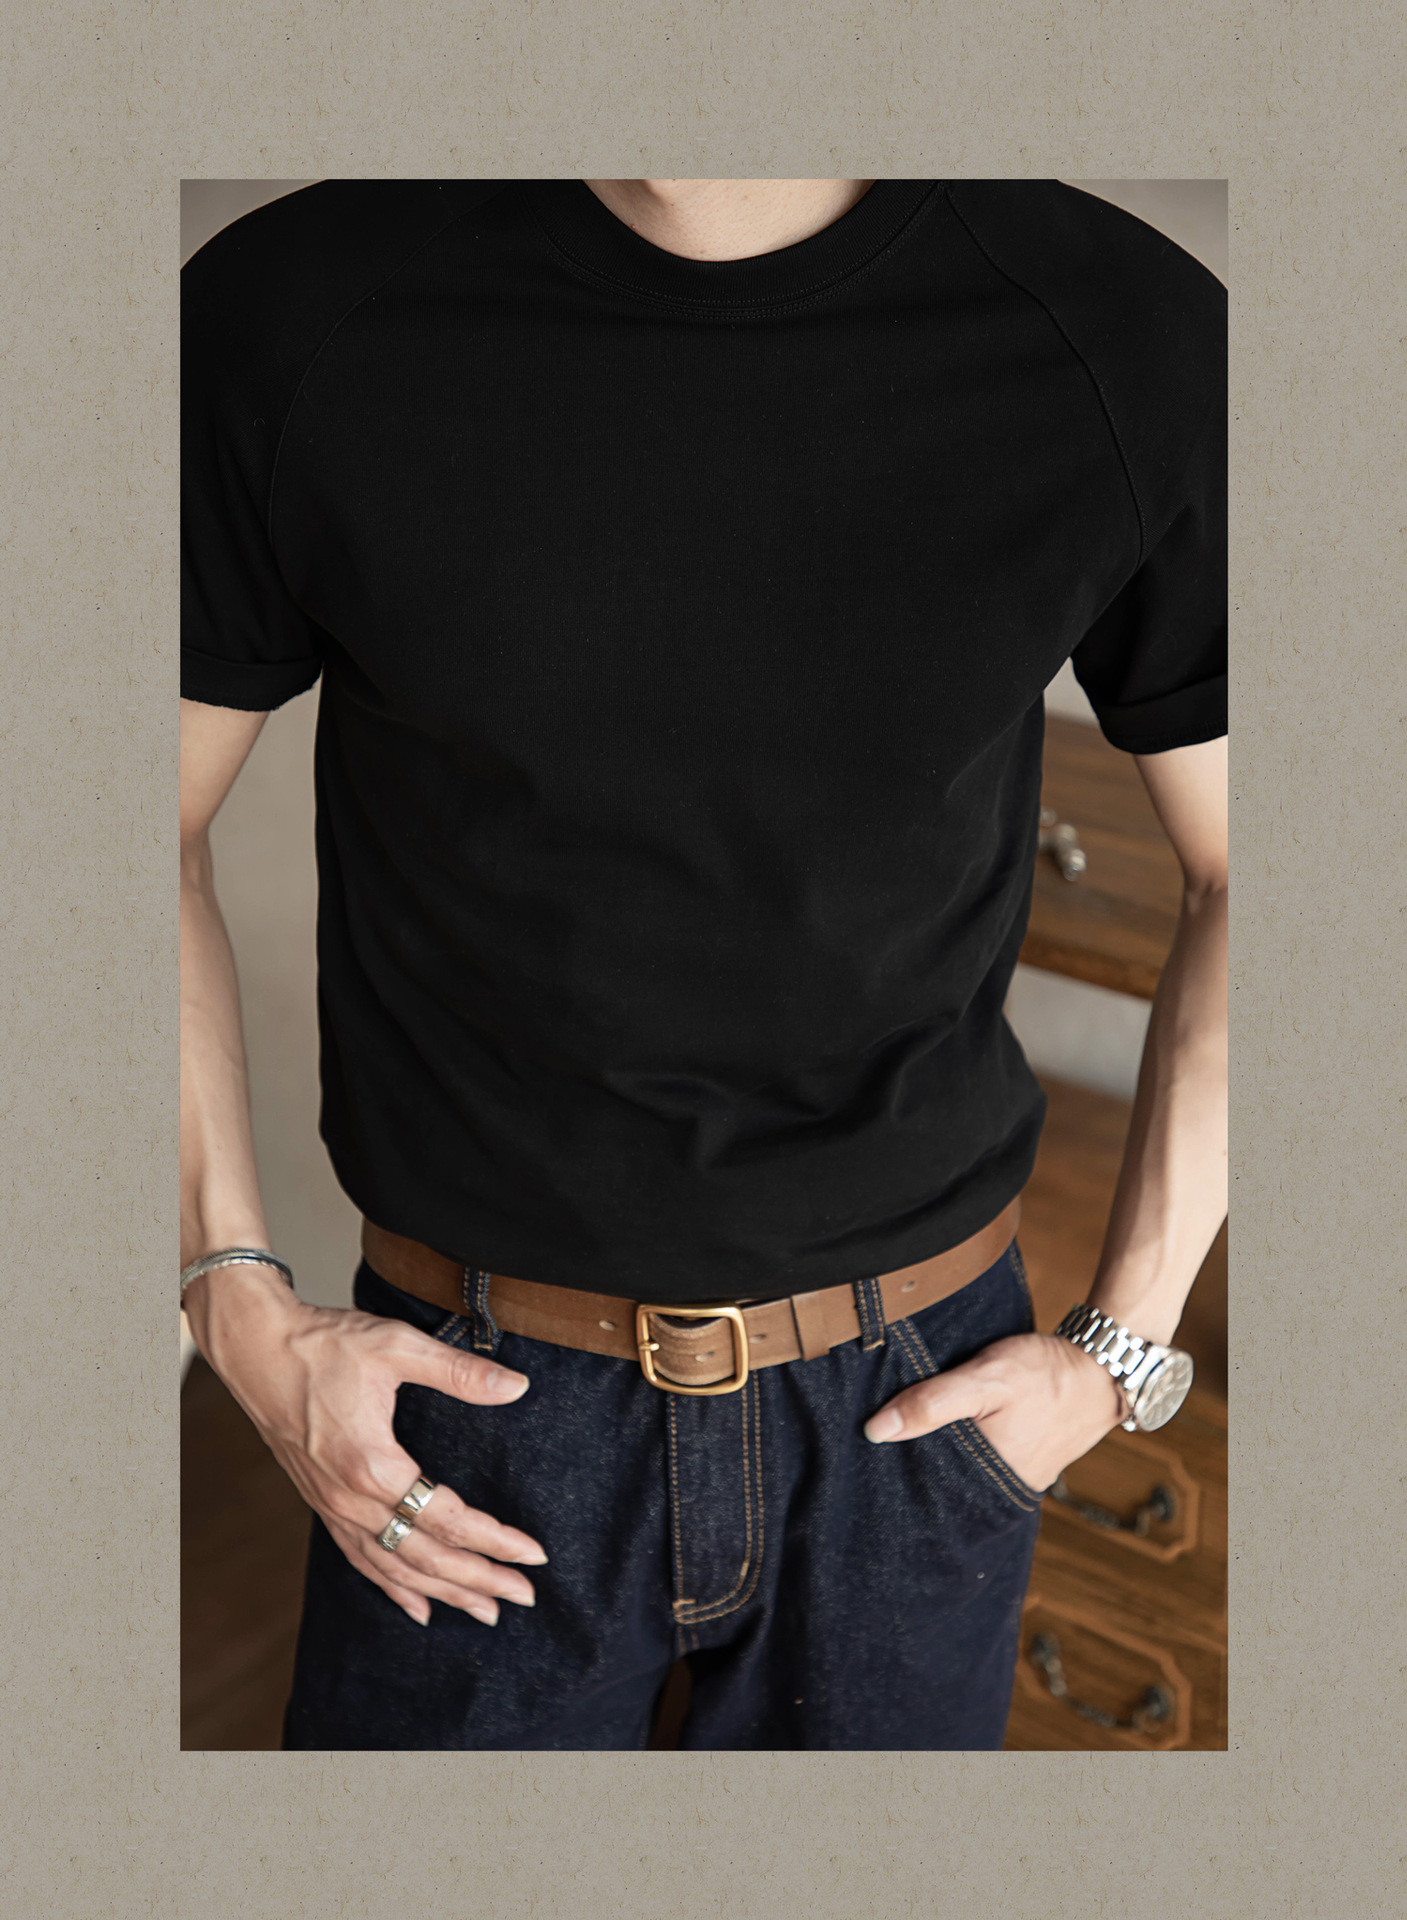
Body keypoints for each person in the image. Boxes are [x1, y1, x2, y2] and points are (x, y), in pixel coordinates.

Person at [180, 177, 1228, 1751]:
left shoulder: (1122, 328)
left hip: (917, 1408)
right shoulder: (293, 305)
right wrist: (231, 1303)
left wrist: (1122, 1350)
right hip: (469, 1409)